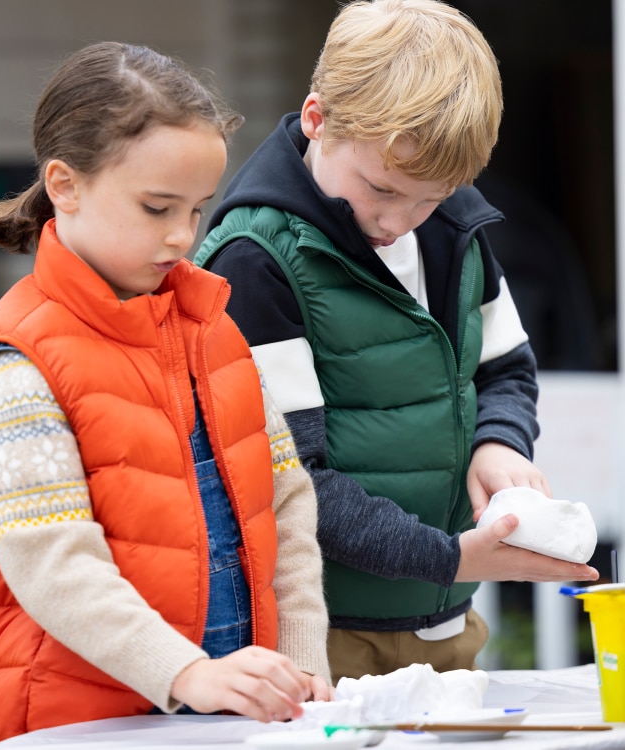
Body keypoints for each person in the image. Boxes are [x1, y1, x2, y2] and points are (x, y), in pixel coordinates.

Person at [194, 0, 599, 682]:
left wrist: (499, 442)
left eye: (430, 198)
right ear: (318, 120)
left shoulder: (456, 230)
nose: (400, 220)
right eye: (381, 188)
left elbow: (507, 370)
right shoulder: (255, 260)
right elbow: (290, 479)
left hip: (445, 622)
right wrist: (452, 558)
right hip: (313, 635)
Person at [0, 42, 332, 748]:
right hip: (75, 724)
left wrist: (304, 660)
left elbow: (288, 500)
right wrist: (185, 671)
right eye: (158, 207)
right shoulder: (19, 362)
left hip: (227, 715)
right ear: (64, 185)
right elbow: (52, 560)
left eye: (196, 209)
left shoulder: (216, 330)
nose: (183, 237)